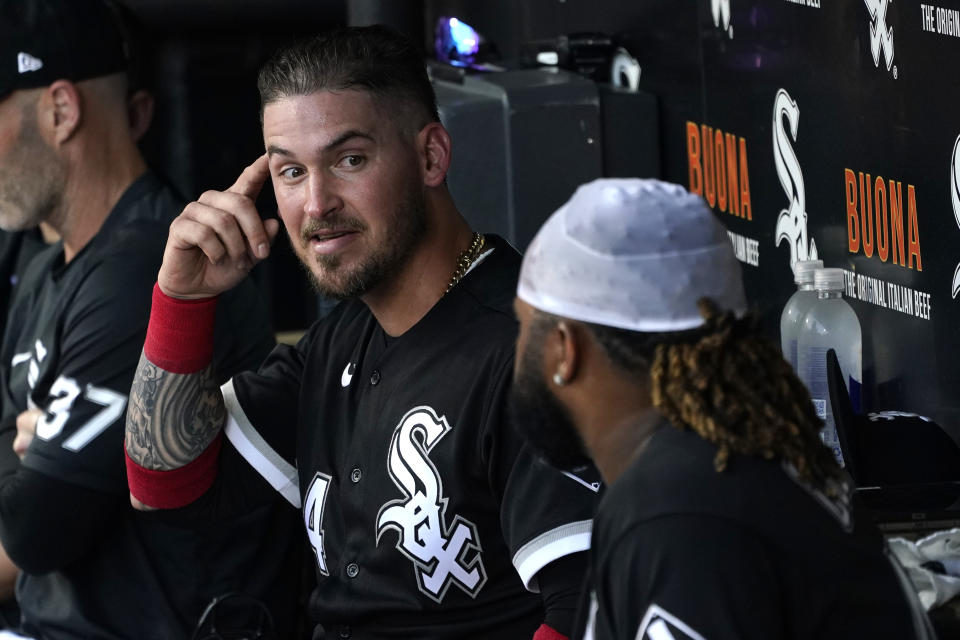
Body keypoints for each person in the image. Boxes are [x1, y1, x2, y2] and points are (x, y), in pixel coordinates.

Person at [124, 25, 599, 640]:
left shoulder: (524, 347)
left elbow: (588, 611)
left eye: (349, 160)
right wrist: (181, 300)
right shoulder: (339, 342)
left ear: (430, 156)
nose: (316, 203)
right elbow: (164, 483)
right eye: (291, 171)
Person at [508, 178, 936, 640]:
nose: (517, 349)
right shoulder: (720, 467)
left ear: (563, 348)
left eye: (523, 326)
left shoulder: (680, 515)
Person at [0, 1, 300, 638]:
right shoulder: (51, 263)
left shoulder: (137, 271)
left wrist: (36, 456)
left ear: (59, 110)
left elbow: (33, 533)